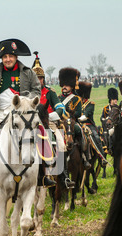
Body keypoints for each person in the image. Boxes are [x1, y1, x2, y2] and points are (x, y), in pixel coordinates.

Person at [0, 38, 51, 188]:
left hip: (22, 111)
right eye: (5, 57)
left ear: (16, 57)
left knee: (42, 133)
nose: (7, 59)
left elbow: (36, 90)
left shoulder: (28, 72)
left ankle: (44, 174)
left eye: (10, 56)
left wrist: (25, 100)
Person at [32, 51, 74, 189]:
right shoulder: (27, 93)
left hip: (48, 123)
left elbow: (60, 108)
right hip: (30, 124)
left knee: (61, 146)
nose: (38, 81)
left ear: (43, 79)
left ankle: (64, 176)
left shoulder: (50, 93)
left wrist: (48, 116)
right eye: (35, 78)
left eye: (40, 78)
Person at [58, 67, 92, 170]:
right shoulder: (59, 98)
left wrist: (69, 114)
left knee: (80, 131)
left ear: (71, 86)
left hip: (73, 122)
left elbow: (79, 113)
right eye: (63, 85)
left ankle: (84, 156)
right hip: (61, 123)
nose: (64, 87)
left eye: (67, 85)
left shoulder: (76, 98)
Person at [75, 81, 107, 165]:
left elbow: (85, 115)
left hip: (88, 125)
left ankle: (102, 157)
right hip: (78, 125)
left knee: (96, 137)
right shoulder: (76, 104)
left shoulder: (90, 104)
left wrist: (77, 119)